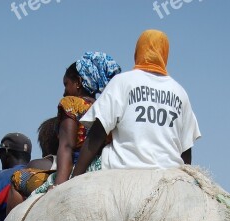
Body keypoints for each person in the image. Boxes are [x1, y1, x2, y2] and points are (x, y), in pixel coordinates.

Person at [72, 30, 201, 177]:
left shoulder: (122, 81)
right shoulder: (180, 92)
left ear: (138, 51)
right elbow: (186, 149)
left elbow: (97, 134)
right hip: (168, 171)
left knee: (51, 183)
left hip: (120, 166)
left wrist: (73, 179)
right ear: (165, 54)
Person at [11, 52, 121, 204]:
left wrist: (59, 186)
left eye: (66, 84)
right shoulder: (105, 107)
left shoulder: (71, 103)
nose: (64, 91)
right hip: (102, 168)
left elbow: (66, 146)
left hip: (77, 170)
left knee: (17, 179)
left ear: (78, 82)